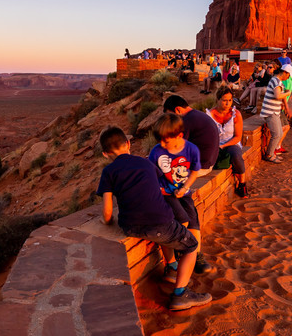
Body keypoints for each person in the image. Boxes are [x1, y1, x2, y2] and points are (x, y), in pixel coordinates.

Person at [98, 126, 212, 311]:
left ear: (105, 154)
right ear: (128, 144)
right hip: (159, 223)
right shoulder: (146, 163)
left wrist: (106, 221)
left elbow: (107, 212)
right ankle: (180, 294)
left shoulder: (108, 172)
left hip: (129, 226)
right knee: (190, 246)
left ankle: (172, 268)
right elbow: (160, 185)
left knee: (166, 235)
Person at [149, 113, 213, 276]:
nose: (162, 144)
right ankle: (179, 251)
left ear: (179, 136)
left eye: (166, 141)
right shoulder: (157, 152)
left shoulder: (191, 149)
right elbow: (150, 173)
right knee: (182, 219)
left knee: (193, 221)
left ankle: (197, 255)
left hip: (184, 191)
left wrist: (185, 188)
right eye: (160, 140)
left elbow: (194, 171)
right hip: (165, 192)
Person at [206, 86, 249, 197]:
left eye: (230, 100)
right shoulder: (209, 115)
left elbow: (238, 137)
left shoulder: (236, 114)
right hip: (215, 145)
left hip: (231, 143)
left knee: (236, 155)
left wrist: (224, 145)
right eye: (225, 100)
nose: (228, 103)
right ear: (218, 100)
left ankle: (242, 184)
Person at [259, 67, 292, 163]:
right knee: (277, 134)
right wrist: (288, 93)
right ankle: (269, 154)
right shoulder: (276, 81)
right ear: (285, 73)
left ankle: (272, 153)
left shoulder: (277, 81)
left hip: (274, 111)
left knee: (279, 133)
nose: (288, 77)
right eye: (288, 75)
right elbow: (277, 95)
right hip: (270, 112)